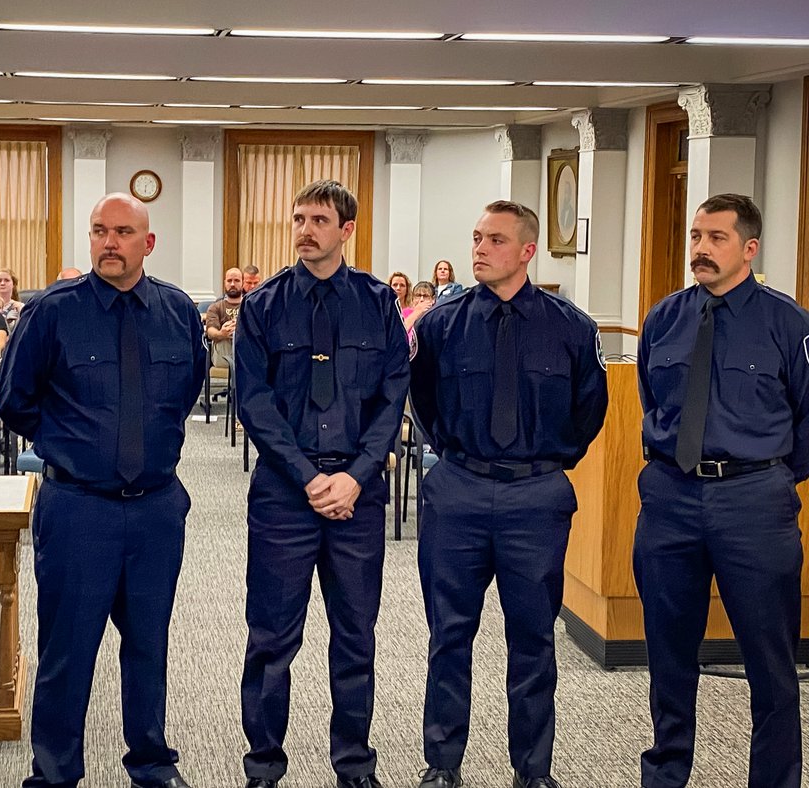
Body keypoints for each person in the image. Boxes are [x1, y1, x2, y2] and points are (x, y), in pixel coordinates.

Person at [0, 193, 205, 788]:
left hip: (156, 511)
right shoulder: (53, 311)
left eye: (121, 232)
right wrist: (71, 443)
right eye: (98, 231)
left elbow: (186, 389)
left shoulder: (176, 311)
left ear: (148, 243)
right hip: (78, 508)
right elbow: (15, 399)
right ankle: (55, 772)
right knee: (69, 649)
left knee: (149, 645)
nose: (108, 242)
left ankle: (151, 763)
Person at [409, 200, 608, 788]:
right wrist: (456, 458)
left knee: (532, 638)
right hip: (459, 492)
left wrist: (547, 466)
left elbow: (588, 410)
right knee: (449, 634)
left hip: (534, 498)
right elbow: (423, 402)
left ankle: (533, 770)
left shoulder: (571, 327)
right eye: (475, 237)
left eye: (494, 240)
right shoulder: (441, 325)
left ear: (526, 251)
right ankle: (443, 764)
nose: (479, 249)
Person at [235, 179, 410, 788]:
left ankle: (354, 764)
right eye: (298, 218)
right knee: (271, 638)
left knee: (356, 635)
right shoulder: (263, 305)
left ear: (346, 230)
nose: (305, 229)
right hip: (286, 493)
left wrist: (356, 477)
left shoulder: (377, 303)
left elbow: (393, 398)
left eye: (318, 219)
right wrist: (310, 478)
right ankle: (263, 766)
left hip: (357, 499)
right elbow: (253, 404)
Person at [634, 193, 809, 788]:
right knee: (668, 654)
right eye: (695, 237)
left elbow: (807, 418)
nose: (701, 250)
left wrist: (772, 476)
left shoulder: (787, 323)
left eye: (716, 239)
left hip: (752, 501)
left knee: (771, 662)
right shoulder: (664, 317)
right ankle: (665, 774)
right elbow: (651, 401)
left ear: (749, 248)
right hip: (670, 498)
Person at [205, 267, 245, 369]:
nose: (232, 284)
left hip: (245, 346)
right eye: (229, 281)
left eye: (236, 280)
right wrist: (222, 333)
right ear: (224, 283)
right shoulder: (215, 307)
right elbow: (210, 331)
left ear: (243, 283)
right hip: (223, 350)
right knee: (224, 333)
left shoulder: (251, 305)